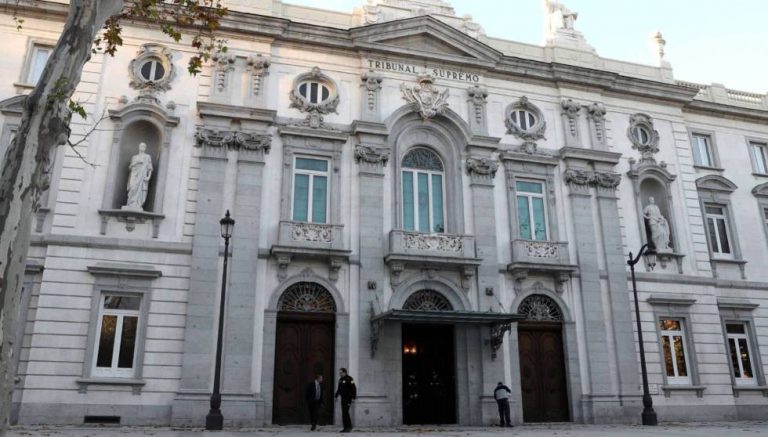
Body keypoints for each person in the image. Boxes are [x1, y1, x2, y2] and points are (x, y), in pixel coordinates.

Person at [125, 142, 153, 210]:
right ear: (139, 147)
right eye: (141, 146)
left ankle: (137, 203)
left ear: (145, 148)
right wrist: (137, 162)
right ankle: (130, 202)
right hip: (134, 174)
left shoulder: (147, 157)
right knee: (132, 187)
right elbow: (130, 167)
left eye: (144, 146)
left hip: (142, 175)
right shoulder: (134, 157)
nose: (142, 147)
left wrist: (148, 177)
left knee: (139, 189)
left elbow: (150, 168)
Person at [334, 368, 357, 433]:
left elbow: (354, 388)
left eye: (341, 373)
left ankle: (348, 427)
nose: (340, 374)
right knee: (344, 413)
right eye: (339, 373)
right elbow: (339, 389)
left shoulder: (350, 379)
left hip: (348, 399)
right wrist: (336, 396)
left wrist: (353, 397)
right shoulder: (340, 380)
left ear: (344, 372)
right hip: (343, 399)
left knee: (345, 412)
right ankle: (346, 427)